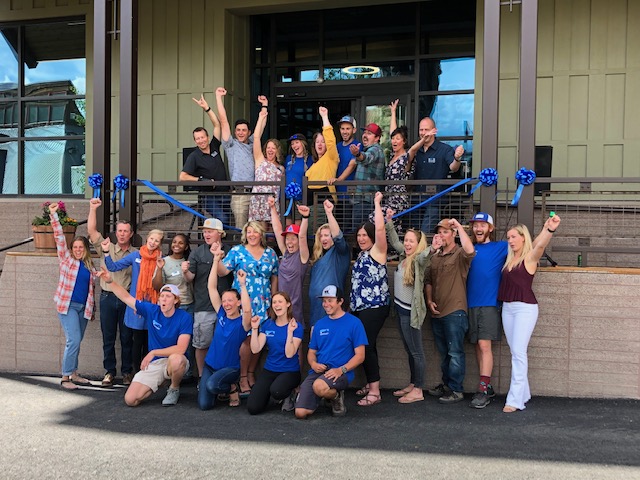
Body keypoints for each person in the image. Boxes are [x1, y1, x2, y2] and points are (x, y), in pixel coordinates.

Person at [499, 214, 561, 413]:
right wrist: (545, 227)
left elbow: (539, 246)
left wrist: (549, 230)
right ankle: (524, 392)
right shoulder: (511, 259)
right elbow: (535, 242)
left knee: (518, 353)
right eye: (508, 237)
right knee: (515, 352)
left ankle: (515, 400)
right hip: (508, 308)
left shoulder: (529, 258)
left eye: (514, 237)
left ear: (523, 238)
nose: (510, 240)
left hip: (525, 308)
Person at [99, 274, 192, 407]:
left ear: (176, 300)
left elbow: (181, 349)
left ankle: (174, 388)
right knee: (131, 400)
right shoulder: (152, 310)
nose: (163, 299)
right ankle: (159, 382)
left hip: (174, 359)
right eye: (162, 296)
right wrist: (110, 282)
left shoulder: (184, 317)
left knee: (177, 360)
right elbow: (126, 298)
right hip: (156, 363)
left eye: (168, 296)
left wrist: (153, 352)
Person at [385, 210, 441, 403]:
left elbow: (426, 256)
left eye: (411, 241)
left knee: (417, 351)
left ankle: (418, 389)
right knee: (409, 350)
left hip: (411, 313)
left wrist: (432, 249)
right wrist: (389, 222)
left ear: (418, 245)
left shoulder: (418, 260)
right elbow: (394, 242)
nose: (407, 244)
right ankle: (412, 383)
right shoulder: (404, 256)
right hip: (400, 311)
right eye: (406, 240)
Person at [217, 221, 279, 395]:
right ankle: (243, 376)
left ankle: (251, 372)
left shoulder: (270, 253)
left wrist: (273, 302)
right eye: (249, 232)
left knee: (258, 339)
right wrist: (217, 258)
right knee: (245, 340)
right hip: (244, 303)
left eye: (255, 232)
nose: (252, 235)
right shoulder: (237, 251)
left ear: (261, 234)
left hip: (264, 303)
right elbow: (223, 272)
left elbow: (274, 277)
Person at [294, 285, 368, 419]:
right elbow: (311, 352)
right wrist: (313, 364)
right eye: (324, 301)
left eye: (330, 300)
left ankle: (336, 396)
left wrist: (341, 370)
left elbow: (360, 355)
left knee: (319, 386)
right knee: (300, 413)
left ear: (340, 301)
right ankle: (325, 394)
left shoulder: (354, 323)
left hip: (340, 372)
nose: (326, 304)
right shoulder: (319, 325)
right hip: (318, 371)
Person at [87, 197, 136, 387]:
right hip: (107, 297)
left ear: (131, 234)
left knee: (126, 338)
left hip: (126, 299)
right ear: (116, 232)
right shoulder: (106, 247)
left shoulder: (136, 253)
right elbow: (91, 231)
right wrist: (93, 209)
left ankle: (126, 372)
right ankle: (109, 372)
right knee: (108, 337)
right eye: (120, 231)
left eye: (125, 231)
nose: (122, 234)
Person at [425, 218, 475, 404]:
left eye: (445, 231)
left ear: (453, 234)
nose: (441, 235)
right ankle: (446, 385)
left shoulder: (460, 253)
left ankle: (456, 389)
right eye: (439, 232)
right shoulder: (435, 256)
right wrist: (429, 300)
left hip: (455, 311)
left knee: (455, 352)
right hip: (437, 312)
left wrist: (459, 227)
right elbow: (428, 280)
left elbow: (470, 250)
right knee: (444, 352)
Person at [102, 229, 165, 375]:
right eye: (151, 239)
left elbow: (159, 285)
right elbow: (114, 267)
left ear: (159, 244)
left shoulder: (162, 259)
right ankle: (137, 373)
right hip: (136, 304)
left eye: (157, 241)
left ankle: (149, 373)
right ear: (147, 238)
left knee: (149, 341)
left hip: (153, 305)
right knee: (136, 341)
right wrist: (106, 252)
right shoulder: (136, 255)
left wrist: (159, 268)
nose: (153, 242)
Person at [49, 201, 97, 390]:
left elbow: (90, 291)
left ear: (85, 249)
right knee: (73, 340)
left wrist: (91, 310)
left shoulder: (90, 267)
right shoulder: (66, 261)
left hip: (82, 309)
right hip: (67, 306)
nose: (78, 250)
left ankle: (74, 373)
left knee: (77, 341)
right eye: (75, 247)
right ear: (71, 249)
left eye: (81, 247)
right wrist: (54, 215)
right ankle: (65, 378)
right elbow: (59, 237)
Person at [197, 252, 252, 410]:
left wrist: (242, 285)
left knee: (212, 385)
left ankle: (232, 388)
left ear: (238, 302)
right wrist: (215, 260)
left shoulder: (243, 322)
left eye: (230, 300)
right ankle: (221, 387)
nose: (226, 304)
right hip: (210, 365)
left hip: (230, 369)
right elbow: (211, 287)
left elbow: (247, 310)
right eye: (224, 300)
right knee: (204, 405)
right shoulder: (221, 313)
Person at [351, 192, 390, 407]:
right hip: (359, 307)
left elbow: (381, 229)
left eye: (365, 234)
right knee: (364, 345)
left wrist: (377, 204)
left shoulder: (378, 251)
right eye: (359, 235)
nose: (361, 238)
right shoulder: (362, 255)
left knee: (367, 346)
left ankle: (375, 390)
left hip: (374, 307)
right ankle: (371, 383)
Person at [466, 212, 508, 409]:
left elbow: (526, 248)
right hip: (470, 304)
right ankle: (487, 385)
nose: (478, 228)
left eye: (483, 225)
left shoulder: (500, 247)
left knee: (484, 345)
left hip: (490, 304)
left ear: (490, 228)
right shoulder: (469, 249)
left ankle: (482, 389)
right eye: (475, 225)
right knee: (477, 345)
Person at [183, 218, 233, 377]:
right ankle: (202, 378)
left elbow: (223, 273)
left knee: (224, 346)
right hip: (203, 305)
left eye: (210, 231)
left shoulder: (231, 251)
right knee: (202, 345)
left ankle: (221, 379)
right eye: (204, 231)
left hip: (226, 308)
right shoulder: (197, 252)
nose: (206, 234)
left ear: (220, 233)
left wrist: (218, 256)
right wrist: (185, 271)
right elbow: (190, 278)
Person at [247, 291, 303, 414]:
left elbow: (289, 354)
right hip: (270, 370)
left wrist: (289, 332)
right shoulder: (268, 324)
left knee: (277, 391)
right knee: (253, 408)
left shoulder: (296, 326)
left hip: (290, 371)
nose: (277, 305)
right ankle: (268, 394)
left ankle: (291, 393)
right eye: (274, 302)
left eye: (280, 301)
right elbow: (255, 349)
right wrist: (255, 328)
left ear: (288, 304)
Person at [180, 94, 229, 225]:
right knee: (222, 219)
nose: (201, 140)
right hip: (209, 196)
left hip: (225, 192)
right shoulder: (194, 156)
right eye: (198, 139)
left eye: (203, 137)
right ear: (195, 141)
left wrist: (207, 108)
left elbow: (217, 125)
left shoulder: (214, 146)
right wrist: (201, 180)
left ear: (207, 137)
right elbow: (183, 176)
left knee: (229, 220)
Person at [413, 117, 465, 233]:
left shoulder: (444, 149)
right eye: (421, 130)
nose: (423, 133)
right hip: (416, 200)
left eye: (426, 129)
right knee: (414, 235)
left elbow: (453, 167)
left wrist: (457, 158)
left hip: (435, 201)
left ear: (434, 131)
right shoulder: (415, 149)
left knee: (426, 234)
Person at [377, 99, 422, 232]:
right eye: (393, 139)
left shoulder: (406, 157)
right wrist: (393, 112)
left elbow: (413, 149)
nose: (394, 141)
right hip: (388, 198)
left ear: (404, 141)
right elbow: (393, 131)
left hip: (399, 200)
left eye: (398, 139)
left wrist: (424, 138)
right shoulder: (392, 155)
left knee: (375, 217)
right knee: (393, 229)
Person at [216, 87, 256, 229]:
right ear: (234, 131)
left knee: (257, 231)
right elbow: (223, 121)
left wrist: (264, 107)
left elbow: (260, 128)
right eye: (238, 130)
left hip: (257, 192)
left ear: (249, 132)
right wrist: (218, 98)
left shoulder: (253, 144)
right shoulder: (230, 145)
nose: (240, 132)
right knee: (241, 230)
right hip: (239, 194)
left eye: (244, 130)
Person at [308, 199, 351, 328]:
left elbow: (338, 237)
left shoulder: (340, 253)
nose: (323, 239)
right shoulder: (318, 257)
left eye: (327, 235)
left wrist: (329, 213)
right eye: (321, 236)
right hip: (316, 308)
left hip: (332, 309)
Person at [269, 196, 310, 328]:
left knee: (296, 339)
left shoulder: (302, 256)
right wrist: (272, 208)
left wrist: (305, 217)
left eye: (293, 239)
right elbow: (277, 229)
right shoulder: (285, 252)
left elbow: (303, 236)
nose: (289, 242)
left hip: (294, 306)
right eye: (287, 239)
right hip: (280, 306)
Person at [249, 104, 284, 229]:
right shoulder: (260, 160)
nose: (270, 150)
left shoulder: (281, 168)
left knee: (274, 233)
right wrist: (260, 117)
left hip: (273, 202)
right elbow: (257, 137)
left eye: (273, 148)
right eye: (268, 147)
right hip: (259, 200)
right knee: (260, 231)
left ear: (277, 151)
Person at [306, 106, 339, 226]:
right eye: (317, 142)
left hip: (324, 200)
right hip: (310, 204)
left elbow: (331, 141)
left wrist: (325, 117)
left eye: (323, 141)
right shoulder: (313, 165)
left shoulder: (331, 157)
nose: (320, 144)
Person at [350, 122, 385, 227]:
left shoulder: (376, 149)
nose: (365, 135)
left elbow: (366, 157)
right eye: (364, 132)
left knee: (360, 233)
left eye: (369, 133)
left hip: (365, 201)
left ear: (377, 138)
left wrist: (357, 154)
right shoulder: (370, 149)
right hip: (361, 200)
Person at [330, 114, 361, 232]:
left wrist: (338, 180)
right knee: (338, 229)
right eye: (342, 128)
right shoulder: (337, 147)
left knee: (349, 230)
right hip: (337, 196)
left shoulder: (358, 145)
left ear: (354, 130)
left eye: (348, 128)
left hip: (351, 195)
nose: (345, 131)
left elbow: (352, 165)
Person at [284, 133, 313, 224]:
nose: (294, 146)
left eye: (297, 142)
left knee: (298, 225)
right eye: (292, 144)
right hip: (287, 198)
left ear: (303, 143)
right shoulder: (289, 159)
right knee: (288, 226)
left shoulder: (310, 159)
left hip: (301, 199)